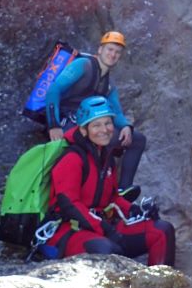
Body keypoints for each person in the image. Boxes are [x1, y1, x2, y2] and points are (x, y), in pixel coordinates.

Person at [44, 97, 175, 265]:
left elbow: (112, 198)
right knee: (106, 249)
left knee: (162, 230)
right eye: (96, 125)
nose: (104, 130)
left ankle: (160, 280)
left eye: (108, 123)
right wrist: (103, 228)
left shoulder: (106, 156)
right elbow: (69, 205)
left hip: (103, 225)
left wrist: (134, 210)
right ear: (83, 130)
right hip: (71, 230)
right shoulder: (71, 159)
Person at [45, 31, 146, 199]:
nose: (113, 55)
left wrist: (126, 126)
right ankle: (95, 191)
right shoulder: (83, 65)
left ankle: (123, 191)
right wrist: (53, 124)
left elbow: (116, 111)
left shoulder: (109, 83)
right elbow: (54, 90)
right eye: (110, 49)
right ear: (100, 50)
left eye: (117, 52)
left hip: (89, 125)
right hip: (66, 121)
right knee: (101, 138)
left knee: (137, 139)